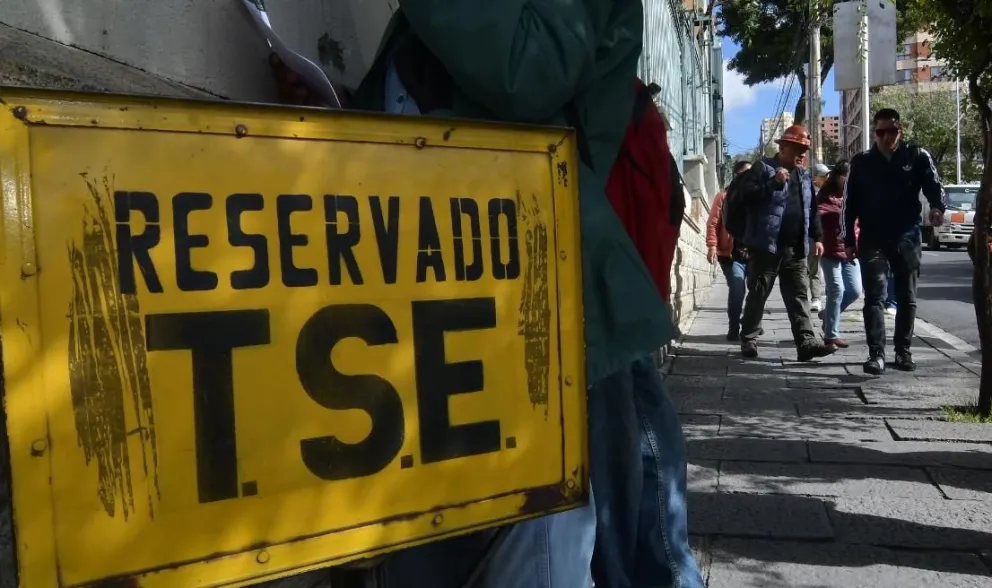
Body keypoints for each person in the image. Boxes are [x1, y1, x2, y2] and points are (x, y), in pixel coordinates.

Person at [271, 1, 703, 586]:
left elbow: (528, 72)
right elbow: (443, 115)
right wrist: (344, 105)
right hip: (440, 294)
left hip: (531, 295)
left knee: (555, 536)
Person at [842, 108, 946, 375]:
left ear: (901, 130)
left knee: (906, 297)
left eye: (892, 131)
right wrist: (848, 240)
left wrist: (937, 207)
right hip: (872, 238)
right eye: (881, 132)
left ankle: (903, 351)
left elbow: (934, 186)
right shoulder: (862, 162)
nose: (887, 137)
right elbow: (849, 203)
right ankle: (876, 354)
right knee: (874, 296)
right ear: (874, 133)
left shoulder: (917, 155)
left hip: (907, 236)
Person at [736, 125, 836, 361]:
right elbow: (746, 196)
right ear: (782, 148)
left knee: (799, 297)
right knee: (758, 294)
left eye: (805, 149)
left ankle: (807, 343)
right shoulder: (763, 168)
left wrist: (818, 237)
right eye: (797, 148)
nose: (802, 153)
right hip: (766, 247)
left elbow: (811, 211)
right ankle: (748, 338)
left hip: (795, 248)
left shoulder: (803, 176)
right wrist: (772, 183)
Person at [816, 161, 862, 348]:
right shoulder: (824, 196)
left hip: (850, 250)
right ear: (837, 176)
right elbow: (816, 216)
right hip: (829, 250)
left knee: (854, 291)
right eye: (846, 177)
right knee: (837, 290)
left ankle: (827, 315)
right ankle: (831, 335)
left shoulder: (856, 196)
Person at [707, 160, 752, 340]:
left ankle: (750, 324)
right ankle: (734, 326)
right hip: (732, 255)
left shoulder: (756, 197)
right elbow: (713, 222)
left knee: (757, 292)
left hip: (754, 253)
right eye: (746, 173)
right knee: (737, 289)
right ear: (736, 176)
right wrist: (712, 245)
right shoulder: (723, 197)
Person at [808, 163, 830, 313]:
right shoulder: (808, 191)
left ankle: (831, 294)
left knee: (831, 267)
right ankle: (816, 298)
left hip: (830, 234)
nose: (826, 178)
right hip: (814, 234)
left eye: (827, 175)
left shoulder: (832, 190)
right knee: (814, 267)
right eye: (823, 175)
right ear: (816, 177)